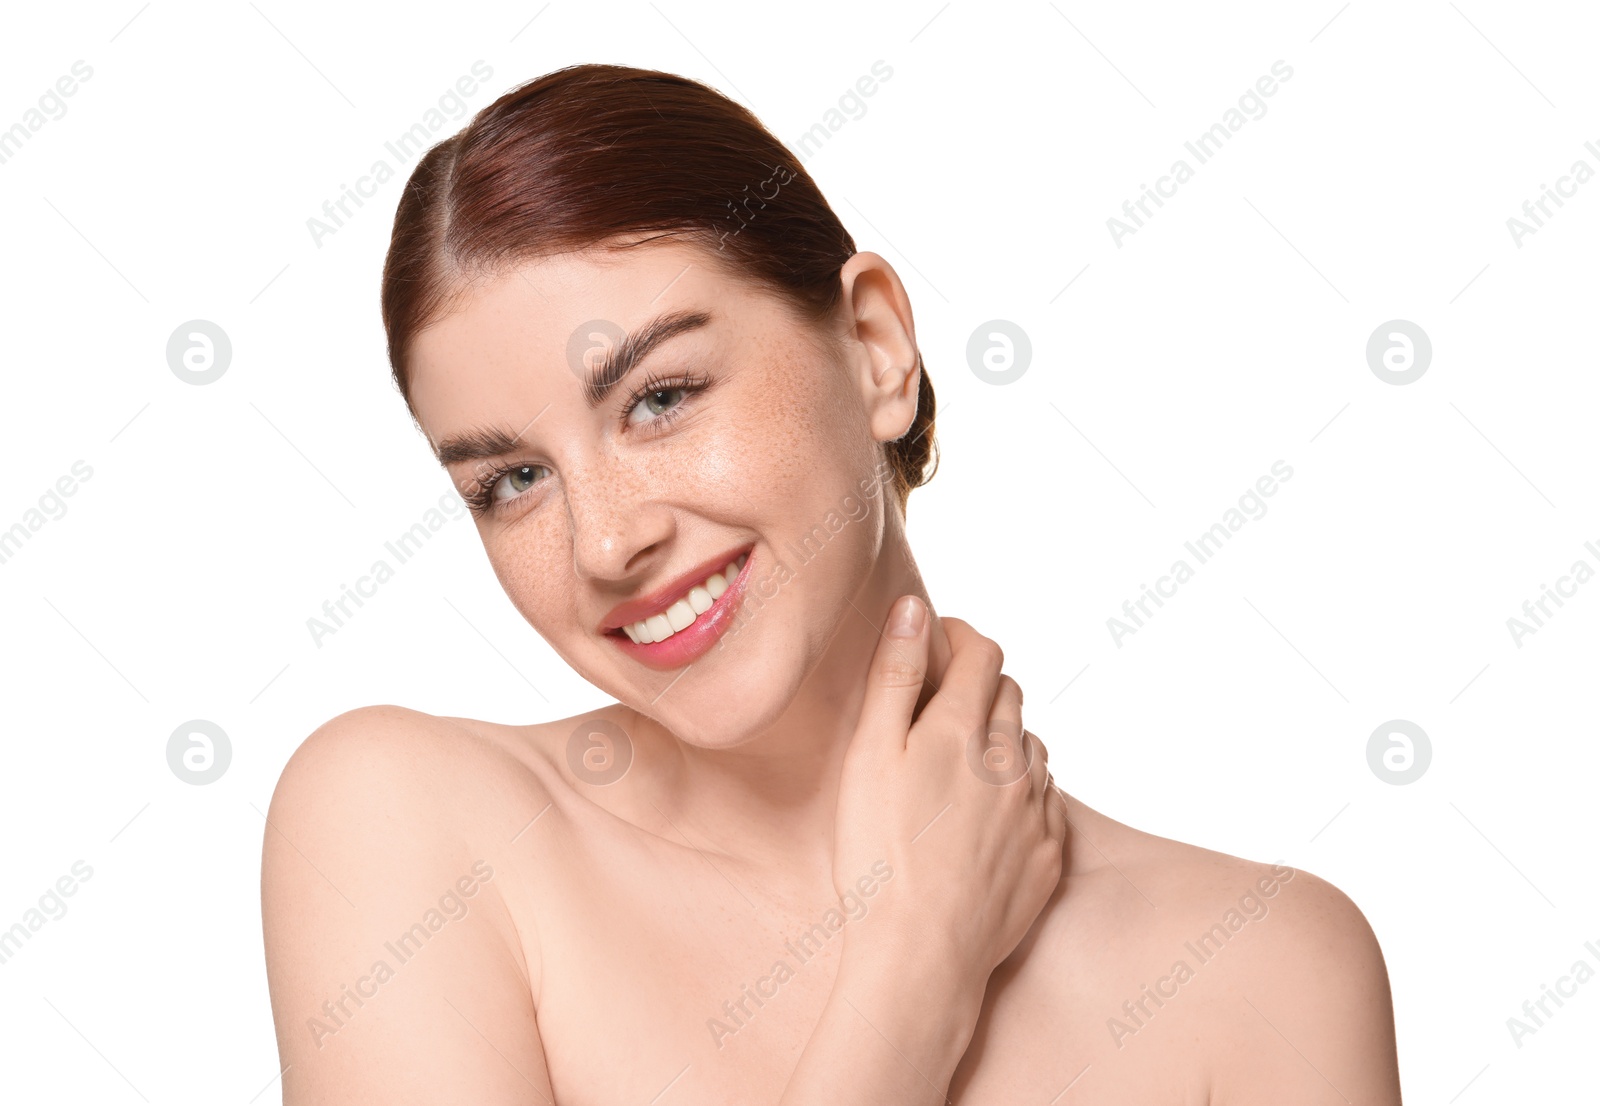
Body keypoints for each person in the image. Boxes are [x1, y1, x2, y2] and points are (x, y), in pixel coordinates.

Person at [261, 63, 1402, 1103]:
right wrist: (911, 965)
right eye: (511, 478)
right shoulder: (414, 834)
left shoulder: (1265, 972)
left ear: (874, 349)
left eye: (658, 398)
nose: (604, 542)